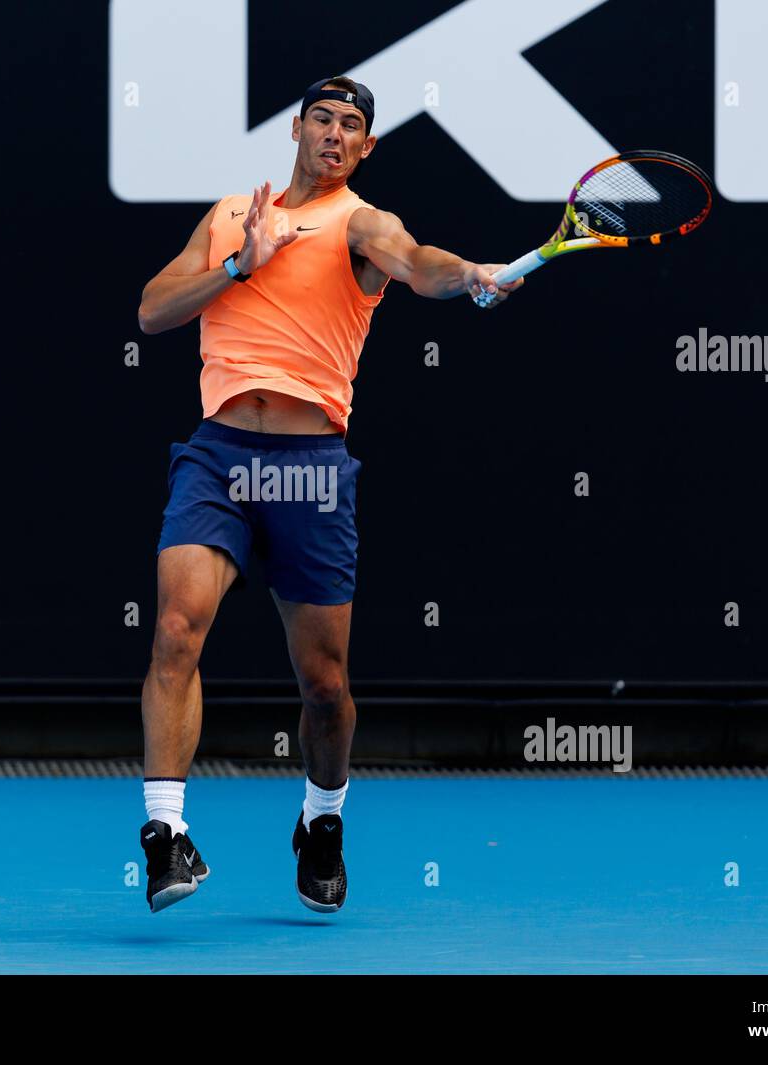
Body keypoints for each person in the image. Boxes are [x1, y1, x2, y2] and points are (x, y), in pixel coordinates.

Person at [135, 75, 522, 913]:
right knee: (174, 628)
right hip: (219, 457)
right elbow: (153, 309)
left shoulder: (360, 223)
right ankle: (166, 834)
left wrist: (471, 273)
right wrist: (242, 263)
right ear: (297, 130)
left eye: (353, 125)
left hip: (312, 469)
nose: (336, 134)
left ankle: (323, 817)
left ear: (365, 146)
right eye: (324, 119)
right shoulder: (233, 214)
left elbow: (419, 264)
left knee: (325, 685)